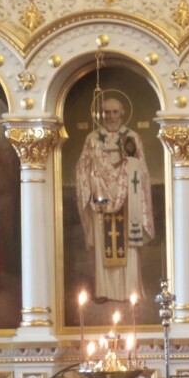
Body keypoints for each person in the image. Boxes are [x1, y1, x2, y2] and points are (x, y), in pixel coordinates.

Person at [75, 94, 155, 301]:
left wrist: (124, 173)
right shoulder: (93, 139)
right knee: (103, 242)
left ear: (123, 113)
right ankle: (104, 291)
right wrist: (94, 175)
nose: (111, 116)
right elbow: (82, 168)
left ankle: (130, 291)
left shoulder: (131, 137)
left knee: (127, 244)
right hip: (100, 197)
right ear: (101, 115)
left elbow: (141, 169)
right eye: (106, 112)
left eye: (115, 112)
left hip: (127, 198)